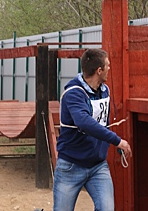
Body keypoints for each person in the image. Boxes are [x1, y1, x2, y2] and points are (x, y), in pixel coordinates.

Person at [53, 48, 132, 211]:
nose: (110, 69)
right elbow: (84, 123)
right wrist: (117, 141)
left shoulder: (105, 91)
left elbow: (103, 122)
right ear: (99, 70)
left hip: (97, 165)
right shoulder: (73, 94)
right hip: (71, 165)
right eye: (108, 66)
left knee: (107, 209)